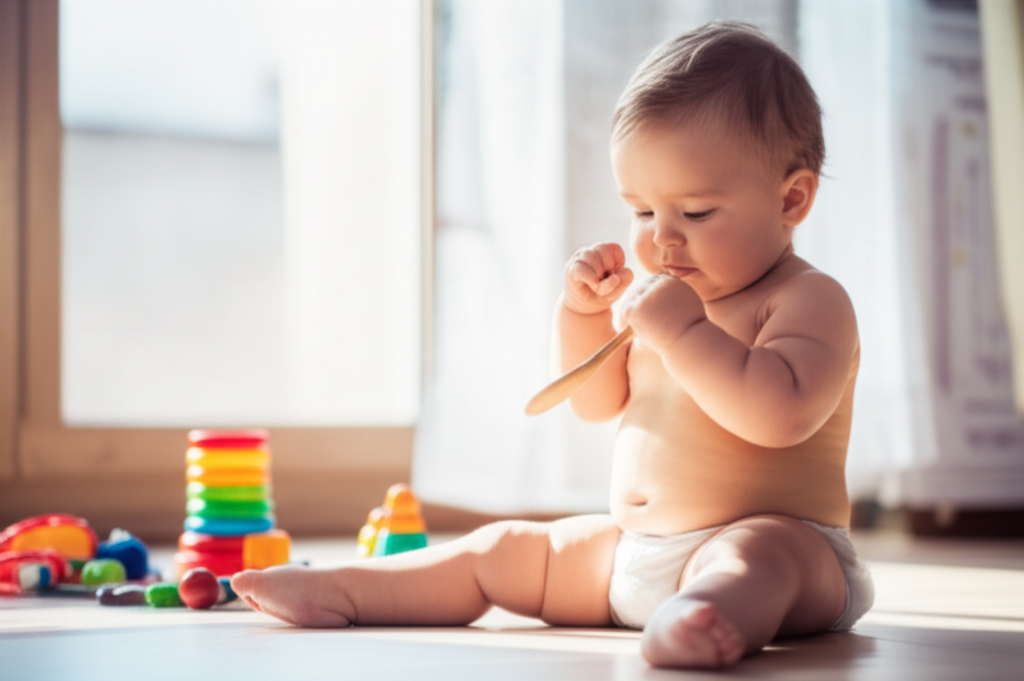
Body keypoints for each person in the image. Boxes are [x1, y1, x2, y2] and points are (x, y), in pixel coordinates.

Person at [231, 21, 873, 669]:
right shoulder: (669, 301)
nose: (660, 241)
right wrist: (582, 314)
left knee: (755, 556)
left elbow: (780, 415)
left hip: (792, 551)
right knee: (504, 547)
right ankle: (351, 588)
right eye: (644, 212)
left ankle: (703, 617)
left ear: (792, 198)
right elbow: (596, 403)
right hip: (632, 550)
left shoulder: (806, 300)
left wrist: (683, 333)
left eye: (696, 213)